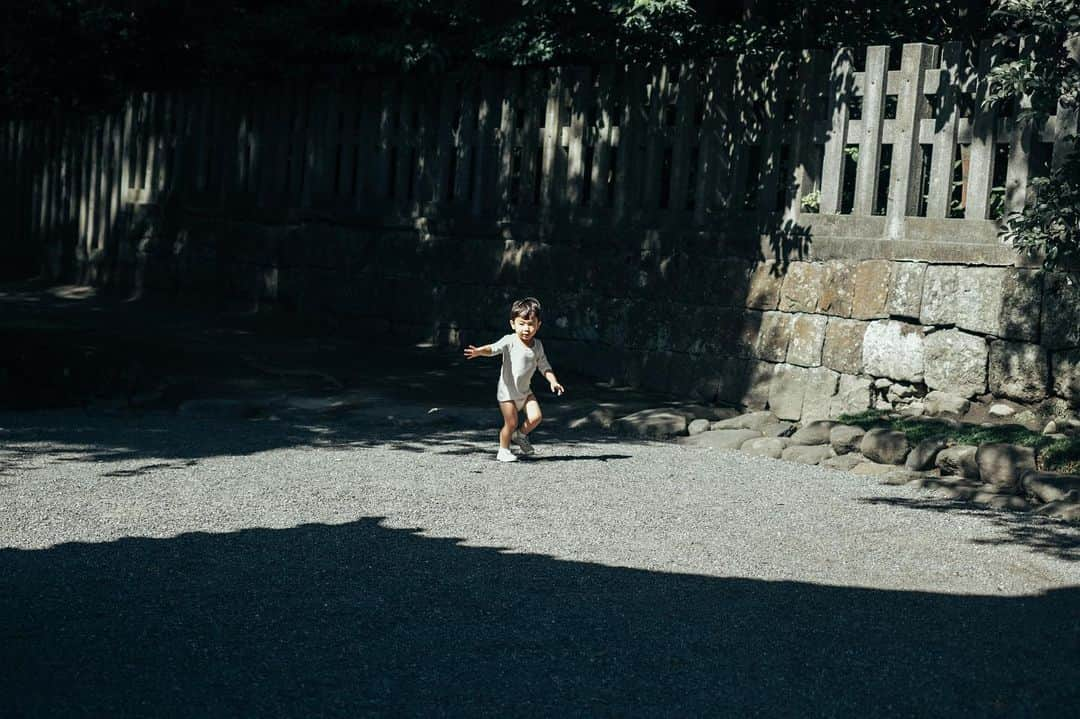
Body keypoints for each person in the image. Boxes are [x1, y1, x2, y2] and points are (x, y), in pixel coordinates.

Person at [463, 297, 565, 462]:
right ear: (513, 324)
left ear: (538, 325)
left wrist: (553, 381)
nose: (526, 328)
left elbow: (545, 366)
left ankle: (520, 435)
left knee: (536, 417)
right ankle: (503, 450)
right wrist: (480, 351)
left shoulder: (538, 346)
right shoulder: (510, 340)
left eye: (531, 324)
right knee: (510, 423)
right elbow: (493, 348)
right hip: (507, 392)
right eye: (522, 324)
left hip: (525, 391)